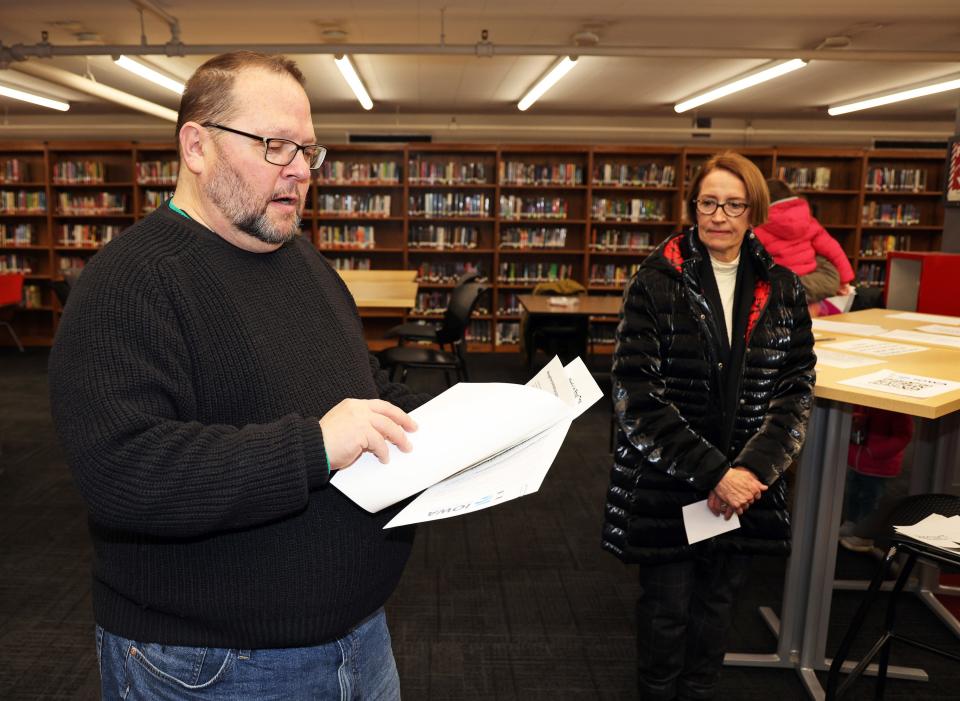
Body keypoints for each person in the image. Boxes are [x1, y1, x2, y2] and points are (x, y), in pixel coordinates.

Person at [48, 52, 430, 700]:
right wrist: (312, 446)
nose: (301, 170)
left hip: (361, 638)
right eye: (275, 146)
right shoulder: (129, 282)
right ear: (195, 145)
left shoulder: (305, 263)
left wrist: (454, 427)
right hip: (215, 662)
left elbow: (359, 384)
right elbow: (124, 471)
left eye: (308, 150)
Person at [603, 151, 816, 700]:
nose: (719, 216)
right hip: (671, 481)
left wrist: (749, 472)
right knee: (667, 609)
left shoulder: (785, 290)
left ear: (754, 212)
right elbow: (636, 398)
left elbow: (795, 390)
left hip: (746, 486)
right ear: (692, 206)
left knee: (719, 606)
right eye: (709, 202)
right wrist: (714, 473)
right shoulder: (654, 283)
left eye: (734, 204)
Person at [754, 178, 855, 313]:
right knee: (828, 272)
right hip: (811, 273)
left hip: (784, 280)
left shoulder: (760, 228)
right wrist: (845, 279)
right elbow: (833, 249)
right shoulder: (809, 221)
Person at [839, 406, 914, 553]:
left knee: (870, 499)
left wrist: (875, 451)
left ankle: (865, 535)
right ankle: (851, 524)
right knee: (853, 494)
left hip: (878, 465)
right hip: (858, 459)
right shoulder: (863, 402)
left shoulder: (896, 409)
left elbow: (903, 436)